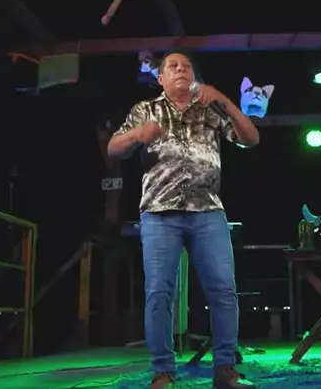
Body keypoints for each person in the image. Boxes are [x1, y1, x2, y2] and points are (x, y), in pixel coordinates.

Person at [108, 51, 259, 389]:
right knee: (159, 292)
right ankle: (163, 371)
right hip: (159, 212)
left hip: (208, 211)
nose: (180, 70)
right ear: (160, 78)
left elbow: (251, 139)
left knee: (223, 289)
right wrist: (137, 134)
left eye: (186, 66)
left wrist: (224, 100)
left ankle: (225, 370)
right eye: (173, 66)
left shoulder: (210, 109)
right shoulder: (145, 110)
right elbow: (113, 148)